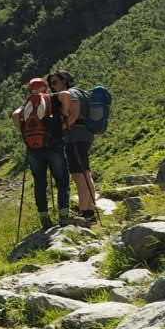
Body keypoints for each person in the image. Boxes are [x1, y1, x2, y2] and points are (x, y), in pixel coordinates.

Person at [11, 77, 69, 229]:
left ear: (30, 90)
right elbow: (66, 95)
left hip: (34, 150)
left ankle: (44, 218)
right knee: (62, 181)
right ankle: (63, 216)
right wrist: (65, 115)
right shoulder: (52, 98)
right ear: (46, 88)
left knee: (40, 183)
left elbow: (15, 115)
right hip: (54, 146)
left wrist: (23, 131)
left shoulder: (27, 105)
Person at [49, 69, 97, 222]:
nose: (53, 86)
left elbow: (74, 114)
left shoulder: (71, 93)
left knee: (78, 175)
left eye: (55, 82)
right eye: (51, 84)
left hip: (75, 137)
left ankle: (85, 213)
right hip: (86, 135)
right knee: (86, 173)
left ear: (65, 81)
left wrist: (60, 129)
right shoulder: (82, 92)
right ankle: (90, 210)